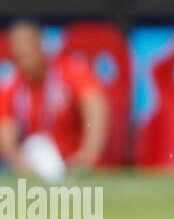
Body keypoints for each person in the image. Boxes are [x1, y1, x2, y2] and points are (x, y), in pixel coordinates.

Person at [0, 21, 108, 177]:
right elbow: (6, 134)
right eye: (17, 45)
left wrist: (89, 153)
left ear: (41, 43)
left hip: (74, 161)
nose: (23, 50)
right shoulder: (11, 83)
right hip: (36, 163)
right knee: (36, 145)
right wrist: (19, 162)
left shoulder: (69, 69)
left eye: (28, 43)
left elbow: (95, 104)